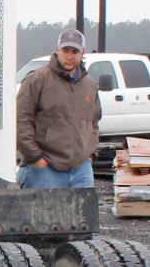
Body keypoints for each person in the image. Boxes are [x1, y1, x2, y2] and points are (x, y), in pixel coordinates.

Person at [15, 28, 101, 189]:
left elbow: (94, 122)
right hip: (44, 170)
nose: (69, 56)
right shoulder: (36, 80)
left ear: (83, 52)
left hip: (81, 171)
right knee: (43, 215)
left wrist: (91, 153)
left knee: (82, 215)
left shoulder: (90, 85)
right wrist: (35, 158)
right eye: (65, 50)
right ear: (57, 50)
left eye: (75, 51)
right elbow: (21, 120)